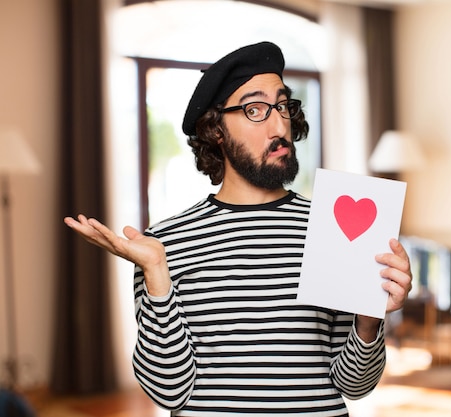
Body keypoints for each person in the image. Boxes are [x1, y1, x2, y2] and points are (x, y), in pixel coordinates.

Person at [64, 41, 412, 416]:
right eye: (255, 109)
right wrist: (157, 277)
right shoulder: (163, 246)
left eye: (282, 106)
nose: (280, 125)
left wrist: (369, 318)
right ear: (216, 130)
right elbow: (168, 392)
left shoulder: (334, 231)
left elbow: (353, 386)